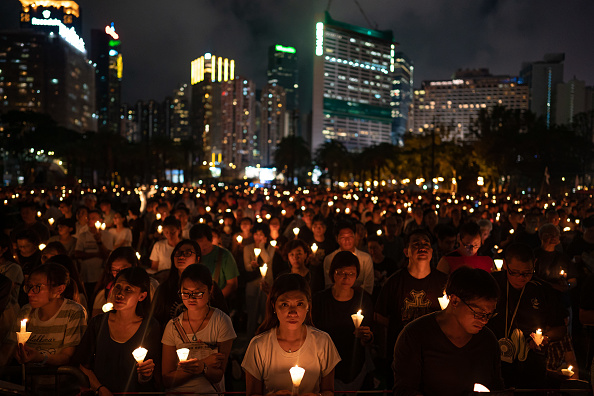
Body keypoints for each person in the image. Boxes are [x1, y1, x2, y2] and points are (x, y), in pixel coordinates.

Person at [393, 266, 504, 396]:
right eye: (479, 313)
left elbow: (496, 387)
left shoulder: (488, 341)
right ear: (455, 300)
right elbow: (404, 390)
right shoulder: (415, 336)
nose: (485, 321)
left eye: (489, 315)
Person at [242, 273, 340, 396]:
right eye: (285, 304)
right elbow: (252, 393)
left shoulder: (323, 342)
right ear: (274, 306)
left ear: (308, 305)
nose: (292, 313)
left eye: (299, 304)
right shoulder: (259, 346)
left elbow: (329, 391)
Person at [487, 243, 567, 389]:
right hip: (492, 361)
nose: (521, 278)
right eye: (514, 272)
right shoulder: (489, 284)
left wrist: (545, 338)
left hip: (531, 364)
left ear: (534, 264)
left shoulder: (543, 290)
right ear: (505, 264)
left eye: (527, 272)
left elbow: (561, 328)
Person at [375, 229, 448, 389]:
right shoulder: (393, 282)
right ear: (406, 252)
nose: (422, 247)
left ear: (431, 251)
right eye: (416, 244)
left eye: (426, 244)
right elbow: (379, 315)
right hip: (402, 353)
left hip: (434, 353)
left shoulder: (444, 283)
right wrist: (400, 328)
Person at [74, 267, 161, 394]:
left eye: (128, 289)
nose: (120, 294)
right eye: (118, 287)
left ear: (142, 296)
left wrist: (146, 374)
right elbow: (83, 365)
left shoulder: (150, 327)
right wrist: (100, 388)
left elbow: (151, 374)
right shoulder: (98, 323)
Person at [161, 264, 236, 394]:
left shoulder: (221, 322)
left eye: (198, 293)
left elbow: (218, 375)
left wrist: (194, 369)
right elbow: (167, 379)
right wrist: (203, 365)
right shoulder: (172, 326)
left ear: (210, 290)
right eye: (186, 292)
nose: (191, 298)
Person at [312, 251, 374, 391]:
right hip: (325, 363)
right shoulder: (319, 301)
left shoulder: (363, 300)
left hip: (354, 363)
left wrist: (366, 337)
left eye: (351, 274)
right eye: (341, 272)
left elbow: (368, 338)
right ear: (333, 273)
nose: (346, 277)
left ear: (357, 275)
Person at [13, 262, 87, 367]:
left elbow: (67, 356)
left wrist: (40, 357)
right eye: (29, 286)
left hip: (58, 380)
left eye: (37, 287)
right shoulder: (26, 310)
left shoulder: (73, 312)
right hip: (29, 380)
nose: (30, 293)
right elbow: (11, 345)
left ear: (59, 289)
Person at [91, 247, 158, 317]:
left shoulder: (150, 285)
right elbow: (96, 316)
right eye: (114, 269)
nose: (118, 273)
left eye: (123, 269)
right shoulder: (107, 290)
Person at [323, 221, 374, 295]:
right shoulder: (330, 259)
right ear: (337, 239)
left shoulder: (365, 258)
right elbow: (329, 285)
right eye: (343, 237)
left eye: (350, 237)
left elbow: (368, 287)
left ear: (355, 236)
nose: (347, 240)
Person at [190, 224, 239, 299]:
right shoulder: (190, 255)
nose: (198, 244)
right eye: (195, 242)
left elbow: (232, 284)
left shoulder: (224, 255)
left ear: (210, 239)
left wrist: (215, 300)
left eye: (201, 240)